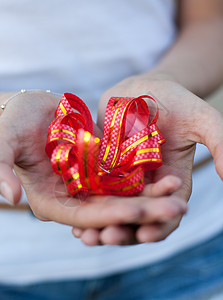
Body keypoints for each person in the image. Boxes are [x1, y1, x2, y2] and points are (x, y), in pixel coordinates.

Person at [0, 0, 223, 299]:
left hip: (194, 245)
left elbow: (211, 19)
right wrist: (6, 107)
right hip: (12, 263)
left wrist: (164, 81)